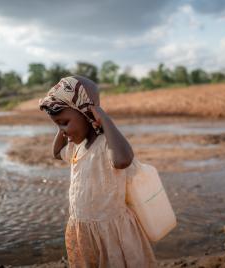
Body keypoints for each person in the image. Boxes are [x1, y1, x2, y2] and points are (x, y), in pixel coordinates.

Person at [39, 76, 157, 268]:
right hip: (84, 229)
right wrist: (62, 126)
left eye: (65, 122)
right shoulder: (77, 147)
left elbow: (123, 160)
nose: (62, 131)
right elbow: (55, 153)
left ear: (87, 113)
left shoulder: (106, 146)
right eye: (57, 125)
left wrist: (105, 120)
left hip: (111, 231)